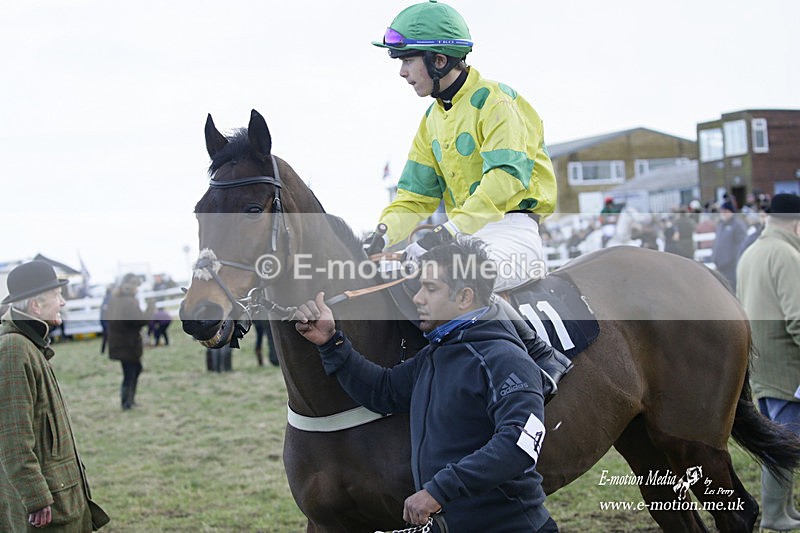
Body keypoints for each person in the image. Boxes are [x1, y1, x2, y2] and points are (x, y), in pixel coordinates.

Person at [295, 238, 558, 532]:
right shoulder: (437, 354)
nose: (418, 298)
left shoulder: (506, 359)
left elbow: (519, 444)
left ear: (464, 297)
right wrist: (331, 342)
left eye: (430, 288)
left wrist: (438, 491)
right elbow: (383, 391)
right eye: (420, 287)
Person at [365, 0, 557, 293]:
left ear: (439, 61)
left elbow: (505, 180)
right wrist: (381, 235)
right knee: (381, 281)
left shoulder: (497, 102)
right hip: (460, 237)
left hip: (512, 236)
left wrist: (448, 232)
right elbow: (414, 198)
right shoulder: (432, 119)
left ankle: (519, 330)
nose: (402, 72)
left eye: (408, 61)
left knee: (450, 282)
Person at [0, 260, 110, 531]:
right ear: (36, 306)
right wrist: (34, 495)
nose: (62, 302)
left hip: (60, 496)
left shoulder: (28, 345)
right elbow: (12, 434)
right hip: (49, 509)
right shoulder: (14, 348)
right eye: (57, 295)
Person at [736, 193, 800, 531]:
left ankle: (784, 509)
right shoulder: (787, 255)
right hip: (788, 367)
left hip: (762, 364)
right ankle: (775, 516)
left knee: (778, 437)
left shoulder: (752, 252)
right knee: (785, 440)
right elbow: (798, 318)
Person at [106, 273, 154, 410]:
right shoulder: (129, 302)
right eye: (136, 286)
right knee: (131, 372)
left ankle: (129, 401)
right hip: (128, 343)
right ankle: (127, 403)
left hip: (120, 342)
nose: (137, 289)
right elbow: (140, 321)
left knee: (132, 370)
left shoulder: (115, 299)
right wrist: (150, 307)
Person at [712, 200, 747, 291]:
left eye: (726, 211)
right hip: (720, 267)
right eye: (722, 211)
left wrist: (734, 260)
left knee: (732, 291)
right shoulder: (721, 225)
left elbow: (742, 245)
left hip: (732, 267)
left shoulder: (738, 225)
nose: (723, 213)